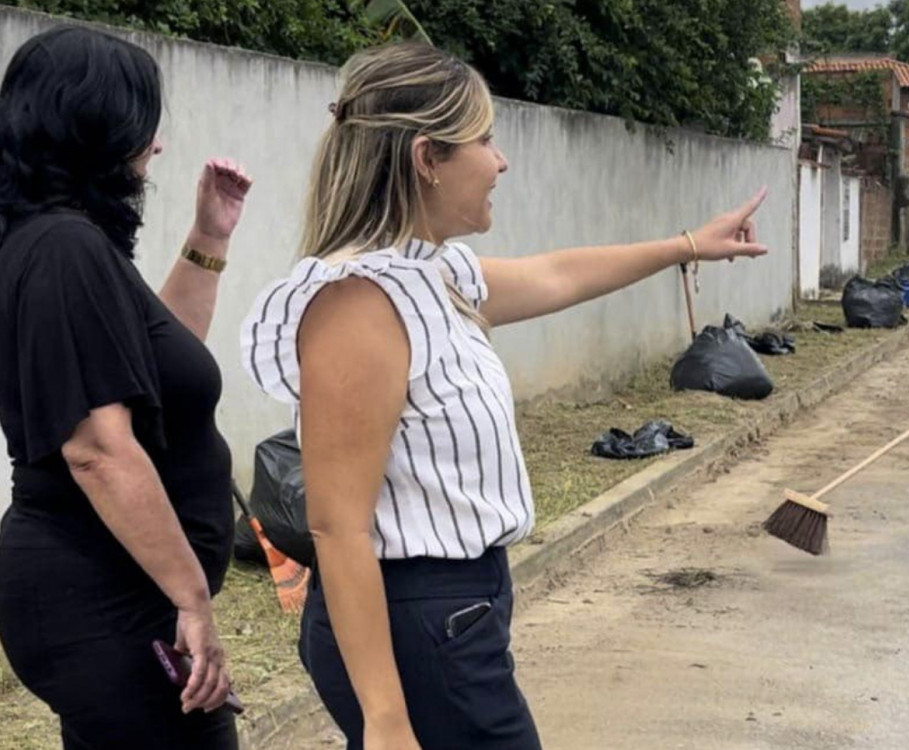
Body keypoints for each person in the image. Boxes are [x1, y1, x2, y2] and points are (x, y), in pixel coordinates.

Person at [240, 42, 767, 750]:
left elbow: (556, 275)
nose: (501, 160)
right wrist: (387, 720)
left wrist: (687, 245)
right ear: (427, 158)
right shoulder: (360, 303)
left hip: (456, 611)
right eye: (484, 139)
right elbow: (338, 526)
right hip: (419, 618)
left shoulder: (433, 272)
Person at [0, 27, 252, 748]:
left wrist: (210, 236)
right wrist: (193, 601)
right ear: (95, 130)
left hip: (97, 591)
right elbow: (98, 451)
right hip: (103, 596)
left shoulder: (59, 242)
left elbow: (154, 367)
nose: (155, 147)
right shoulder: (63, 249)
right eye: (142, 128)